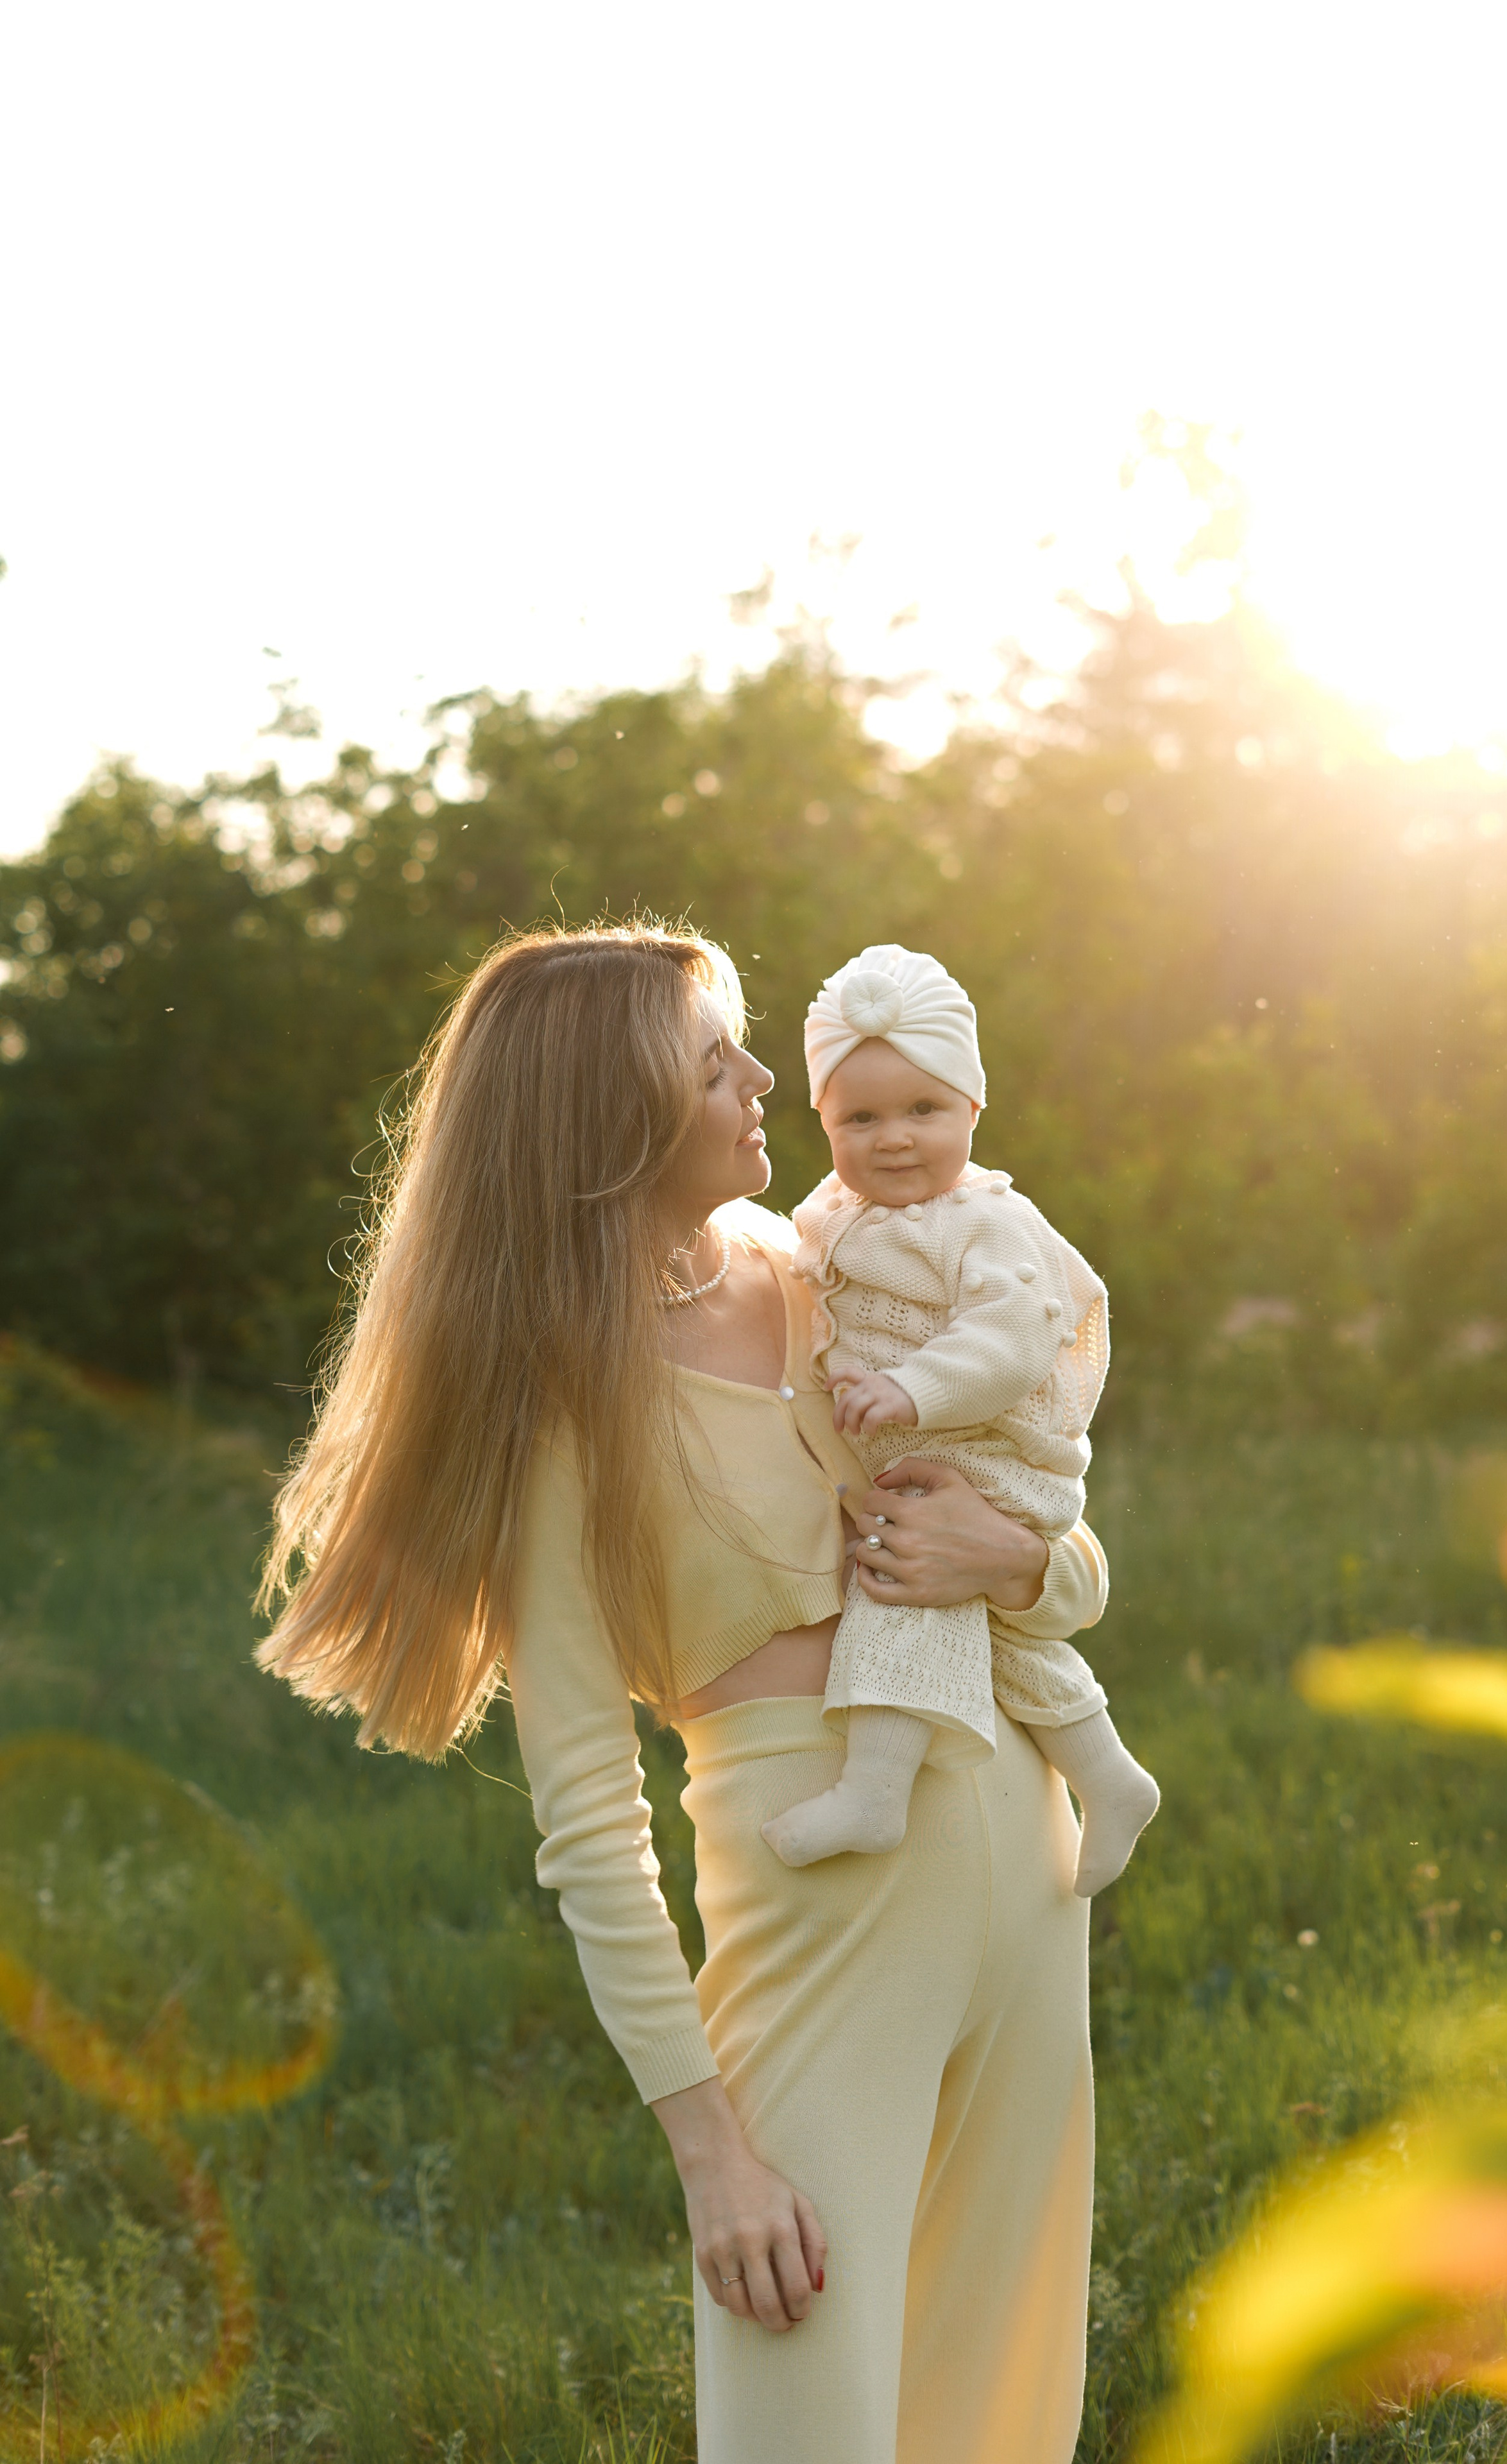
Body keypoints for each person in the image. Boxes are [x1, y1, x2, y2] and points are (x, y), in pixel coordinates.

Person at [255, 921, 1110, 2464]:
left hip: (1025, 1858)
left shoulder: (831, 1266)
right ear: (613, 1114)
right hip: (820, 1921)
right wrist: (709, 2151)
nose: (764, 1076)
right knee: (806, 2429)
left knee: (998, 2421)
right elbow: (589, 1819)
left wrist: (1019, 1562)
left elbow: (1048, 1541)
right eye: (715, 1061)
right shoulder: (555, 1412)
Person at [762, 943, 1160, 1892]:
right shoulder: (829, 1212)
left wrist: (912, 1392)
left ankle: (875, 1789)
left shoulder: (986, 1223)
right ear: (822, 1122)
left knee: (906, 1580)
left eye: (924, 1111)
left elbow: (1013, 1332)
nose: (893, 1138)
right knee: (998, 1632)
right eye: (860, 1118)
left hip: (991, 1453)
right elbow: (808, 1268)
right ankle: (1110, 1775)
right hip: (935, 1449)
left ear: (974, 1111)